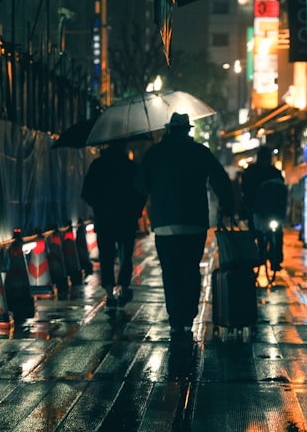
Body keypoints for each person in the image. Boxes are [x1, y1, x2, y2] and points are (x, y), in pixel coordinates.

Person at [135, 112, 235, 333]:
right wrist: (229, 207)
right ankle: (189, 316)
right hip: (194, 223)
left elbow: (140, 186)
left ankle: (175, 319)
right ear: (188, 130)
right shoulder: (200, 152)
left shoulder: (155, 153)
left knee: (170, 273)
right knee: (191, 270)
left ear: (169, 129)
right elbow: (221, 181)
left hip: (164, 224)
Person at [82, 139, 146, 305]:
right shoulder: (131, 167)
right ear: (123, 146)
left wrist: (98, 205)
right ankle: (124, 289)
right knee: (125, 255)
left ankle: (109, 293)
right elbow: (141, 192)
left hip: (104, 219)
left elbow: (86, 192)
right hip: (126, 218)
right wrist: (136, 211)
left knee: (106, 255)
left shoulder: (98, 165)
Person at [240, 146, 287, 269]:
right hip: (256, 210)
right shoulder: (251, 172)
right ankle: (256, 257)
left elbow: (282, 192)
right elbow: (245, 191)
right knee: (254, 235)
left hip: (273, 211)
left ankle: (275, 259)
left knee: (277, 233)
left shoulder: (275, 172)